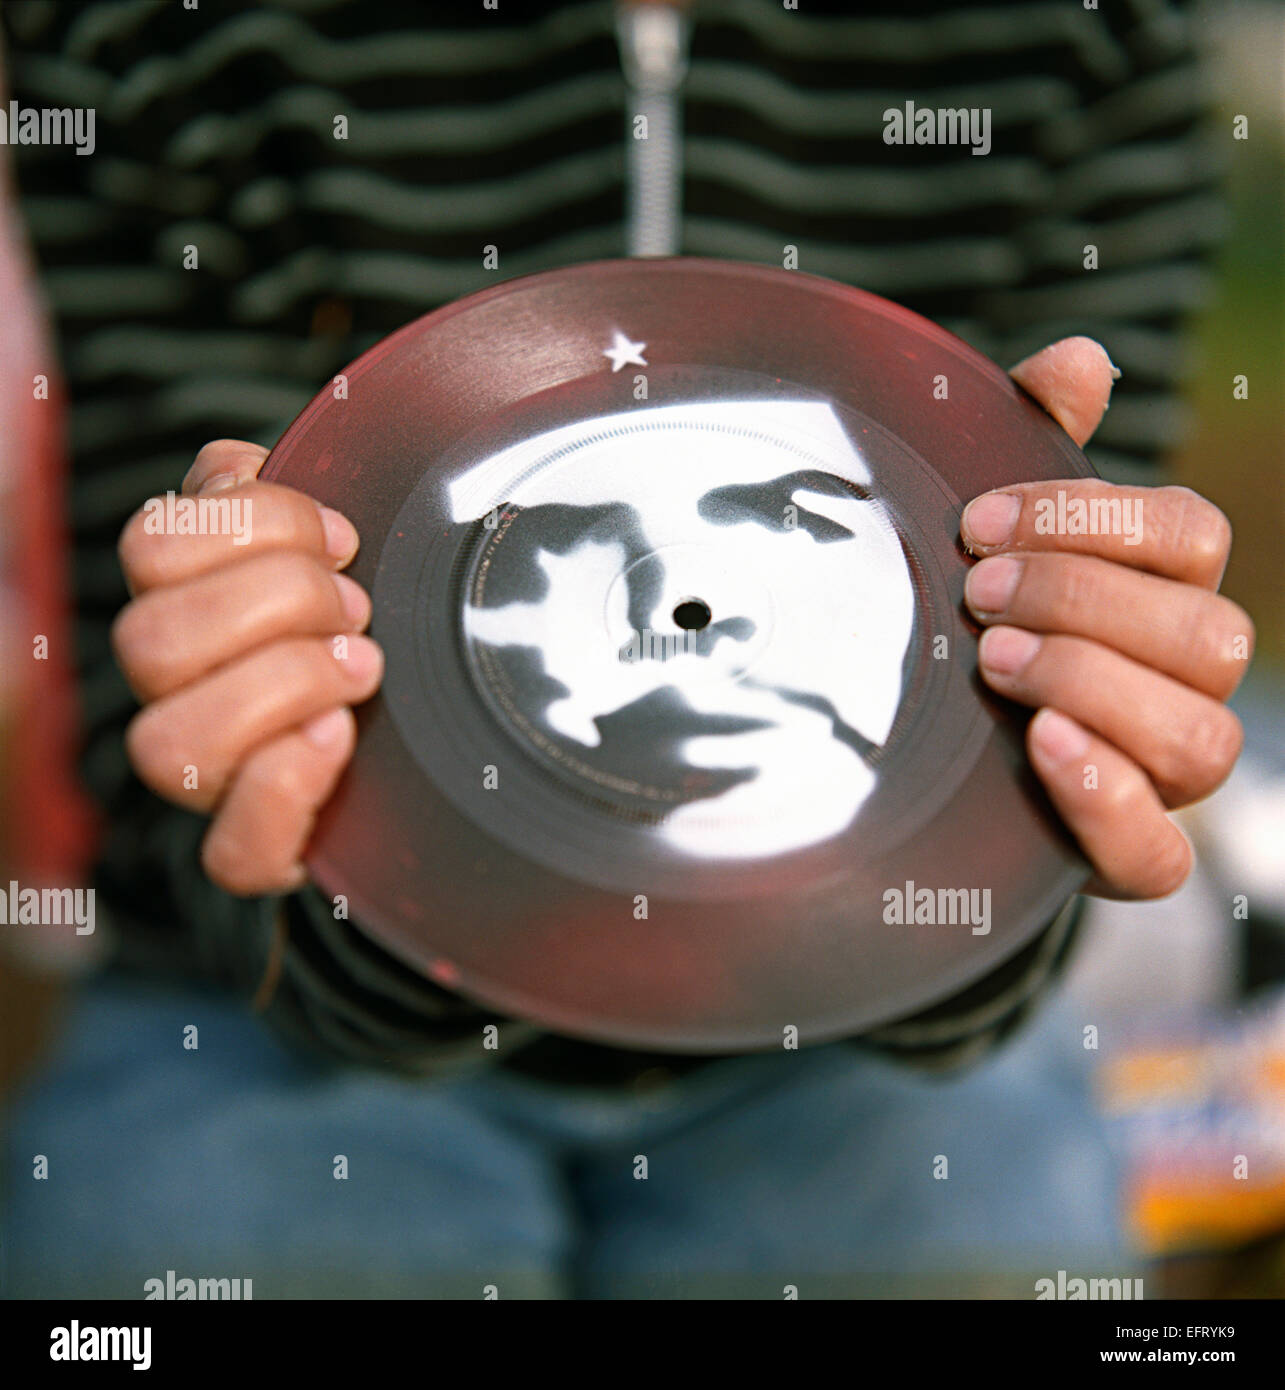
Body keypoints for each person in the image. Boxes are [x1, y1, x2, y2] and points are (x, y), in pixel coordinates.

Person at [0, 0, 1252, 1297]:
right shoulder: (147, 29)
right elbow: (166, 748)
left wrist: (1001, 859)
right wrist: (325, 852)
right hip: (270, 1008)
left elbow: (1038, 706)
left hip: (867, 1052)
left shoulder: (1093, 34)